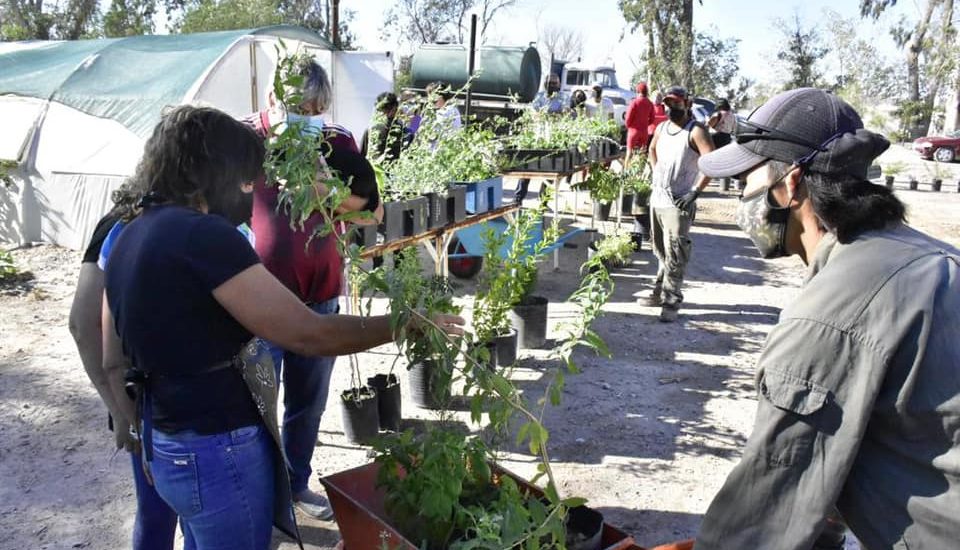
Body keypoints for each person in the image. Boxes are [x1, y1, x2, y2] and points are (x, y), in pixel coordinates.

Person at [101, 105, 463, 550]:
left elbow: (110, 361)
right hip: (219, 449)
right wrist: (404, 324)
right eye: (244, 179)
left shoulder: (127, 233)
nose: (248, 193)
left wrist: (142, 432)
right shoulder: (205, 238)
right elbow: (310, 333)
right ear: (213, 172)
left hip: (167, 444)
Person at [695, 87, 960, 550]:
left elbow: (762, 516)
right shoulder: (931, 256)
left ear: (791, 182)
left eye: (748, 180)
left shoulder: (828, 319)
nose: (743, 196)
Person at [244, 59, 383, 520]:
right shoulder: (245, 142)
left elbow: (372, 214)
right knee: (255, 410)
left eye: (316, 109)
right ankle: (262, 501)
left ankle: (295, 485)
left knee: (307, 404)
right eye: (299, 108)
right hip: (260, 304)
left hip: (321, 297)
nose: (309, 117)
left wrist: (326, 192)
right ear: (272, 100)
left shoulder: (336, 142)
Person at [69, 182, 192, 550]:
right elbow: (81, 322)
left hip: (150, 400)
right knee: (164, 515)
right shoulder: (122, 226)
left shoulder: (124, 220)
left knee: (163, 513)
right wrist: (121, 413)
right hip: (150, 402)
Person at [645, 85, 714, 322]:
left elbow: (711, 162)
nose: (670, 108)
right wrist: (656, 171)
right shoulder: (662, 127)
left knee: (676, 252)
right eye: (667, 103)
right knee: (660, 250)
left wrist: (695, 191)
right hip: (658, 198)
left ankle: (671, 300)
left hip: (679, 201)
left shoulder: (696, 132)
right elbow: (651, 148)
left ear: (687, 104)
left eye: (676, 103)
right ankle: (658, 291)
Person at [515, 74, 565, 203]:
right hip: (537, 136)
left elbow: (563, 114)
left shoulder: (561, 98)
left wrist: (548, 115)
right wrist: (547, 114)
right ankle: (518, 198)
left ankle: (543, 201)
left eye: (555, 83)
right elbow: (534, 113)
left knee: (550, 171)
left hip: (553, 138)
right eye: (550, 83)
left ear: (559, 84)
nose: (552, 86)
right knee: (527, 168)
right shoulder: (540, 96)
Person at [361, 91, 408, 162]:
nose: (388, 114)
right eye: (385, 110)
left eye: (390, 110)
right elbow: (362, 158)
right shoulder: (370, 131)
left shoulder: (405, 133)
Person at [624, 82, 656, 166]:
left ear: (638, 91)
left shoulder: (634, 102)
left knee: (629, 153)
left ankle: (625, 173)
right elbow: (652, 119)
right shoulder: (650, 103)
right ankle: (640, 173)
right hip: (644, 132)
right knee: (642, 154)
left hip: (633, 131)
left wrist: (628, 126)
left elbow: (628, 118)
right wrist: (645, 124)